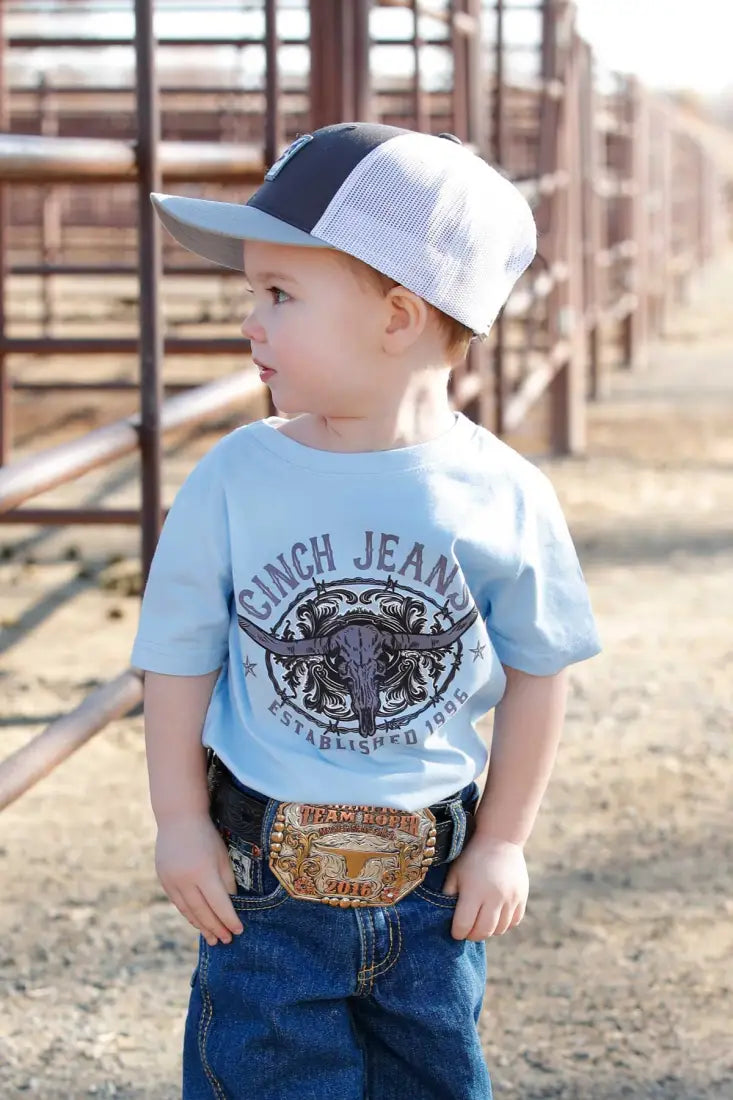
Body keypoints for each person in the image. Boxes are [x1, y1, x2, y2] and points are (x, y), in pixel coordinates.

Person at [131, 122, 602, 1100]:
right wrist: (180, 819)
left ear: (398, 314)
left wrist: (504, 838)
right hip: (263, 874)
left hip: (433, 873)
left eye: (279, 294)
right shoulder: (235, 477)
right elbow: (176, 653)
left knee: (430, 1074)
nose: (248, 323)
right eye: (252, 293)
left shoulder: (502, 492)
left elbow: (537, 669)